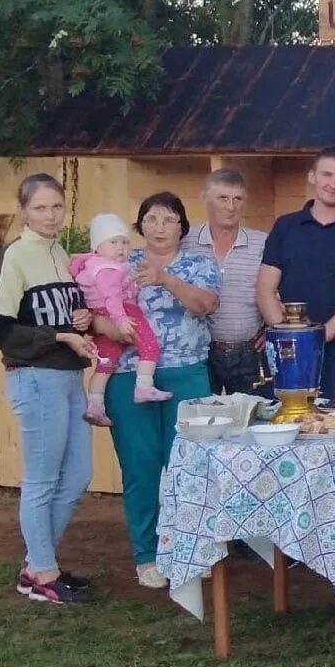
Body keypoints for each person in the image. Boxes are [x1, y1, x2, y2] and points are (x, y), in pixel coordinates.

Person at [99, 192, 220, 588]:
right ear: (140, 226)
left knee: (189, 466)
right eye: (151, 219)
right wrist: (105, 325)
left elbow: (205, 305)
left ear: (182, 226)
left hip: (187, 374)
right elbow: (95, 313)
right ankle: (147, 555)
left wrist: (165, 278)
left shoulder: (198, 263)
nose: (160, 227)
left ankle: (188, 548)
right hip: (130, 377)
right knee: (141, 466)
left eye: (169, 220)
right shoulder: (120, 263)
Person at [0, 173, 95, 604]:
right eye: (40, 208)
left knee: (78, 474)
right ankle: (43, 573)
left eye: (56, 206)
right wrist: (60, 337)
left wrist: (80, 320)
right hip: (34, 376)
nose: (50, 215)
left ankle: (37, 565)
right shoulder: (14, 256)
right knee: (43, 479)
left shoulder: (59, 251)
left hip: (68, 376)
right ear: (23, 211)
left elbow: (58, 314)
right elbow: (0, 328)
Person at [258, 148, 335, 398]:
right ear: (312, 176)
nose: (333, 184)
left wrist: (311, 343)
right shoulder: (285, 226)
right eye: (327, 175)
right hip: (286, 353)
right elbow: (265, 289)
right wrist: (287, 339)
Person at [68, 213, 170, 426]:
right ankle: (144, 386)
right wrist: (122, 319)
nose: (120, 247)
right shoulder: (107, 269)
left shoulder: (94, 265)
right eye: (113, 242)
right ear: (98, 246)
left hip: (102, 314)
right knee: (149, 345)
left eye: (124, 242)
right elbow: (112, 296)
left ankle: (95, 405)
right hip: (121, 312)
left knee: (106, 362)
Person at [183, 168, 270, 395]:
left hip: (251, 353)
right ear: (204, 198)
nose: (230, 207)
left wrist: (273, 327)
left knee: (254, 423)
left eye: (237, 199)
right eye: (222, 198)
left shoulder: (262, 243)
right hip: (201, 353)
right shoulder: (185, 241)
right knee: (204, 423)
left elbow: (282, 288)